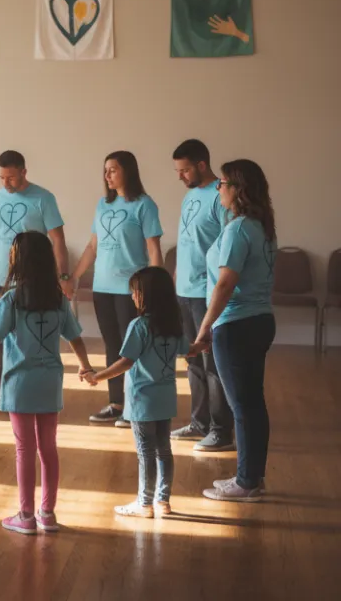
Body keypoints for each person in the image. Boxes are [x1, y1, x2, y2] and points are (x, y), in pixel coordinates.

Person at [0, 231, 93, 536]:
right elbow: (75, 336)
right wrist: (86, 366)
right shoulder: (57, 298)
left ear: (18, 261)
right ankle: (48, 514)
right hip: (49, 382)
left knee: (24, 448)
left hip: (19, 384)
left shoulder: (12, 298)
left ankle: (25, 515)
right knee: (48, 448)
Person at [190, 159, 277, 503]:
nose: (218, 188)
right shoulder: (261, 226)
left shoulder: (240, 228)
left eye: (223, 183)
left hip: (237, 325)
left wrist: (205, 325)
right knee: (252, 404)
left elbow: (225, 283)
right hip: (259, 321)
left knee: (243, 406)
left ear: (238, 189)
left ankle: (246, 482)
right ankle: (252, 476)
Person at [0, 151, 69, 413]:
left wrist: (64, 276)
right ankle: (2, 392)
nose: (5, 183)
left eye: (10, 177)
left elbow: (57, 240)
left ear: (24, 172)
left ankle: (35, 393)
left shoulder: (43, 198)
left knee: (30, 340)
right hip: (2, 282)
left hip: (35, 282)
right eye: (1, 177)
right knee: (0, 340)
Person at [87, 267, 190, 518]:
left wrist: (97, 376)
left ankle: (144, 503)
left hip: (142, 399)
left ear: (147, 295)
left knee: (145, 452)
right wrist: (203, 345)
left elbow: (126, 361)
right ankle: (162, 502)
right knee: (163, 450)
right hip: (166, 398)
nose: (132, 297)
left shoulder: (139, 325)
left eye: (135, 292)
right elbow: (188, 350)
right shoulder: (174, 325)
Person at [71, 151, 163, 425]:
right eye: (105, 170)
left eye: (113, 169)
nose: (107, 175)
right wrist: (73, 277)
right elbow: (92, 246)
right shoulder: (103, 205)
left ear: (128, 172)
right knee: (112, 345)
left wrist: (156, 285)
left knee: (132, 348)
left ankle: (138, 405)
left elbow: (153, 249)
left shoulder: (144, 205)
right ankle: (116, 403)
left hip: (131, 289)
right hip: (103, 287)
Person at [170, 139, 234, 452]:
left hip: (206, 293)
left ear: (201, 165)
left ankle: (221, 431)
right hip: (183, 290)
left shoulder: (221, 194)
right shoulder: (190, 196)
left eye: (184, 170)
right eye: (178, 171)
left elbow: (229, 245)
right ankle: (199, 423)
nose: (180, 176)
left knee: (213, 364)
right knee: (192, 361)